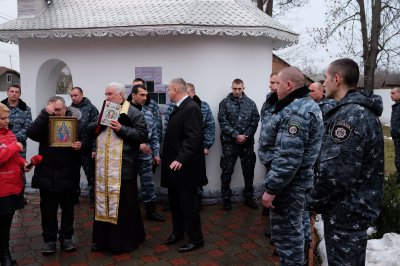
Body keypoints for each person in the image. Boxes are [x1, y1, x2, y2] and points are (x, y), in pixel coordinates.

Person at [307, 58, 384, 265]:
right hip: (351, 209)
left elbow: (335, 173)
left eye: (325, 78)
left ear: (337, 79)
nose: (324, 83)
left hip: (347, 212)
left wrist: (312, 201)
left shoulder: (350, 116)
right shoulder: (354, 111)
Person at [261, 67, 323, 265]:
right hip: (295, 182)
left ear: (288, 85)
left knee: (288, 237)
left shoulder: (297, 111)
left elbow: (289, 157)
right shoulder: (301, 105)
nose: (274, 87)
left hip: (289, 186)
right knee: (296, 231)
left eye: (277, 83)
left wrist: (271, 188)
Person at [89, 82, 148, 253]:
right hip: (104, 169)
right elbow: (90, 130)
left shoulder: (133, 112)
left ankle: (123, 242)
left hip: (124, 168)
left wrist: (122, 129)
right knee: (103, 204)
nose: (106, 97)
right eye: (106, 94)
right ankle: (102, 241)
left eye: (110, 94)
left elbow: (142, 136)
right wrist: (100, 122)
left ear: (121, 95)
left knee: (124, 207)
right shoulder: (105, 110)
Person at [27, 96, 87, 255]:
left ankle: (66, 238)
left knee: (68, 209)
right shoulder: (45, 121)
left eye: (59, 110)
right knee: (48, 210)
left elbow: (86, 141)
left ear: (66, 108)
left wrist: (80, 145)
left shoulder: (75, 123)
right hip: (47, 174)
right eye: (53, 110)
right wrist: (44, 115)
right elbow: (31, 133)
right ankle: (49, 240)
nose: (56, 113)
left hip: (68, 174)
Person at [161, 78, 207, 253]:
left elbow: (193, 137)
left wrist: (180, 158)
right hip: (175, 168)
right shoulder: (180, 107)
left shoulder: (191, 107)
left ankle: (196, 239)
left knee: (188, 205)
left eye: (168, 90)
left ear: (175, 90)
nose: (167, 93)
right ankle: (178, 232)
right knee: (175, 203)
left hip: (185, 168)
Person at [218, 78, 260, 211]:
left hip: (246, 144)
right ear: (232, 88)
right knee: (226, 171)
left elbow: (255, 121)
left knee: (248, 172)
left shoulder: (251, 104)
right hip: (230, 144)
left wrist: (245, 136)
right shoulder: (224, 103)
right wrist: (236, 135)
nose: (237, 91)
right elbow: (223, 122)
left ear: (243, 88)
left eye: (239, 89)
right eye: (235, 89)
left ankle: (248, 197)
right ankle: (226, 199)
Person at [0, 103, 31, 266]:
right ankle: (4, 256)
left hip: (13, 186)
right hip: (1, 190)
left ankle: (5, 254)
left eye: (7, 118)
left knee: (6, 224)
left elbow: (14, 157)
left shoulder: (10, 134)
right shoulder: (11, 139)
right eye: (2, 118)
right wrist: (14, 146)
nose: (7, 121)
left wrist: (23, 163)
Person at [130, 84, 165, 222]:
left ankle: (150, 212)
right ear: (133, 95)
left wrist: (156, 154)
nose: (145, 97)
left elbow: (155, 136)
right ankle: (131, 214)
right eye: (141, 95)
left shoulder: (148, 113)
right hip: (129, 157)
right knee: (129, 187)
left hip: (146, 157)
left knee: (148, 185)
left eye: (146, 95)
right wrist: (138, 145)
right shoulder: (124, 112)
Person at [1, 84, 33, 204]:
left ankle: (20, 194)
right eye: (12, 91)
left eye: (16, 92)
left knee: (19, 168)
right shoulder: (1, 107)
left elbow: (28, 127)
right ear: (8, 93)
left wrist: (15, 138)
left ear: (19, 94)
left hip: (19, 145)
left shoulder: (26, 109)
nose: (14, 94)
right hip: (2, 143)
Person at [186, 82, 215, 208]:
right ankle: (183, 200)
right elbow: (169, 127)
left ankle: (197, 199)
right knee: (181, 174)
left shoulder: (203, 106)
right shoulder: (175, 106)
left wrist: (206, 145)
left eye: (188, 93)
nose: (186, 96)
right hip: (181, 148)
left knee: (197, 173)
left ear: (193, 92)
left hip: (198, 148)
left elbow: (210, 126)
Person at [69, 87, 99, 206]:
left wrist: (94, 148)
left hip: (87, 148)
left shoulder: (91, 109)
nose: (73, 98)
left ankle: (94, 198)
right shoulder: (69, 110)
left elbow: (97, 131)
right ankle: (74, 195)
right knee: (73, 173)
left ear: (82, 94)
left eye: (75, 95)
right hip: (72, 148)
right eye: (71, 96)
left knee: (91, 175)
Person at [258, 72, 278, 238]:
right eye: (269, 82)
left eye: (273, 82)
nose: (270, 85)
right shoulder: (269, 100)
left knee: (278, 195)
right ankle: (274, 227)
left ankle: (276, 232)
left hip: (278, 156)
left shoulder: (287, 104)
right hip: (268, 156)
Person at [390, 87, 400, 184]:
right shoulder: (396, 106)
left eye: (393, 93)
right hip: (397, 139)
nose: (391, 95)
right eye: (390, 93)